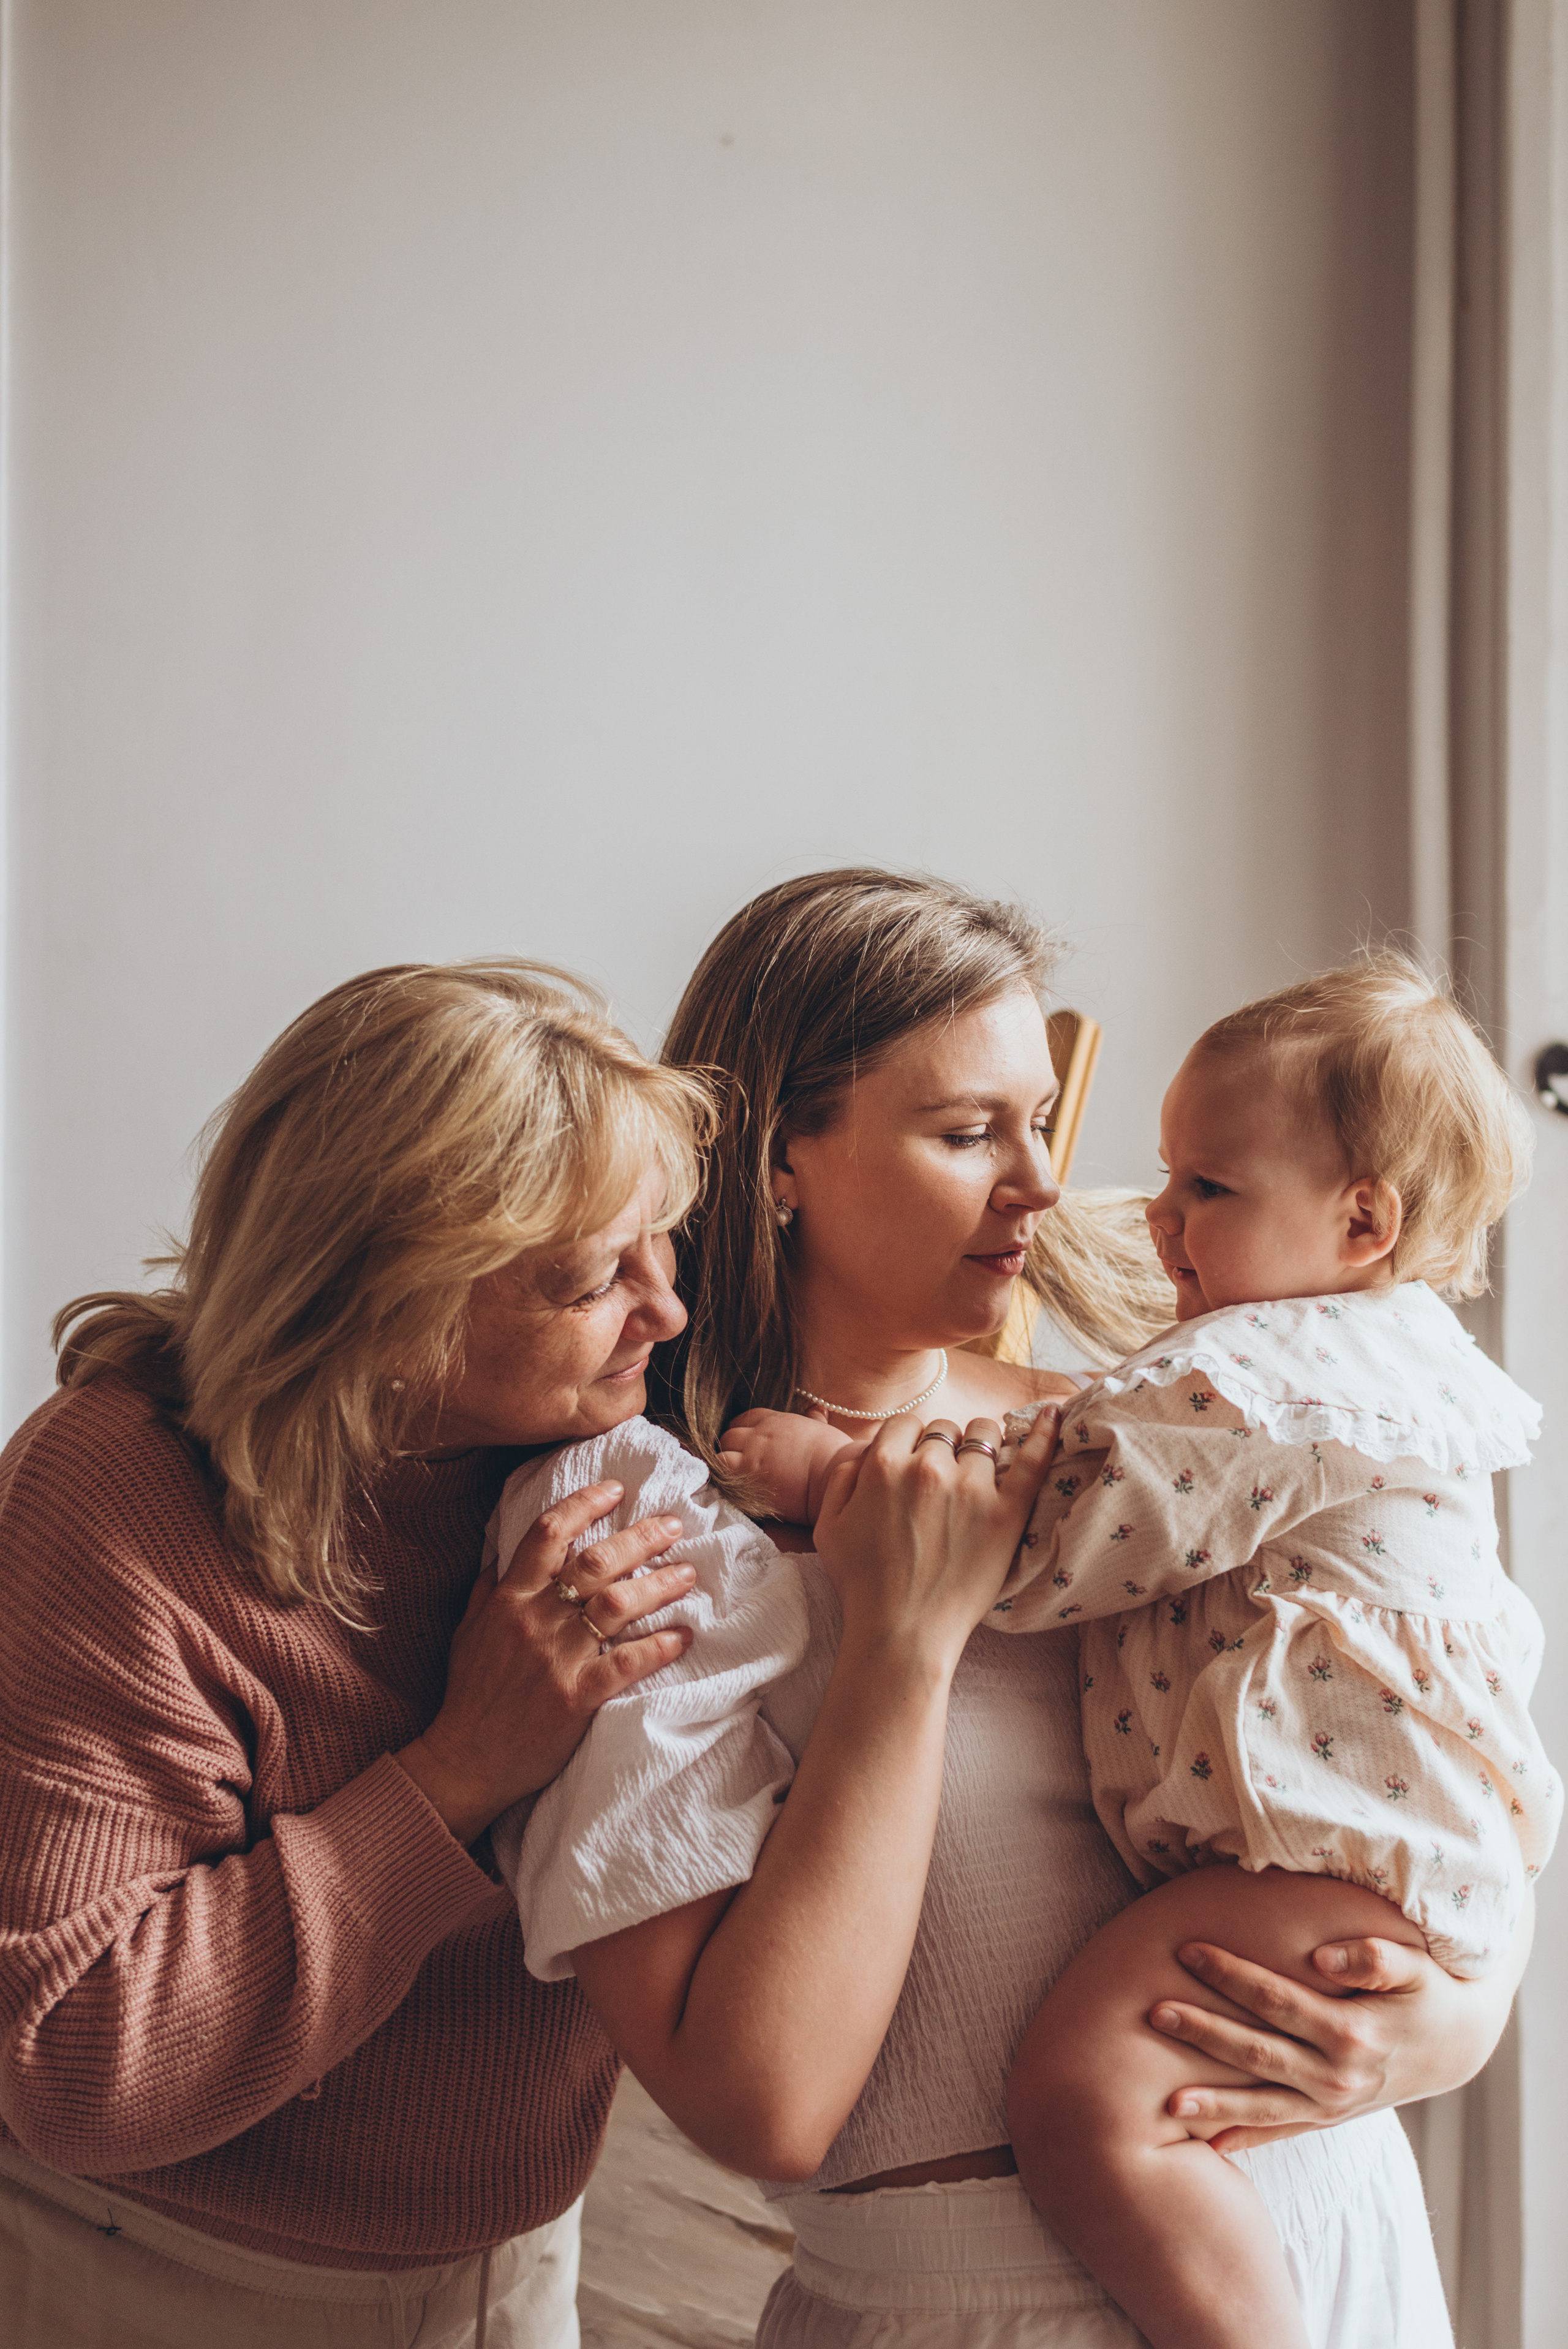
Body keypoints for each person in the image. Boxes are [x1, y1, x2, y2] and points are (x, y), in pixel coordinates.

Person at [495, 870, 1529, 2348]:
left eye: (1038, 1121)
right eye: (967, 1131)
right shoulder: (640, 1520)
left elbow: (1404, 1733)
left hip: (1327, 2238)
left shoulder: (1142, 1445)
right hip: (965, 2303)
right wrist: (903, 1644)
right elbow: (763, 2107)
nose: (1041, 1184)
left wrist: (1442, 2024)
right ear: (778, 1152)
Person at [0, 960, 739, 2347]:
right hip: (161, 2269)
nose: (667, 1311)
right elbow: (75, 2059)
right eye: (593, 1279)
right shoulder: (113, 1495)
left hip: (512, 2263)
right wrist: (455, 1771)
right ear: (394, 1304)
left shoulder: (599, 1454)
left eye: (666, 1247)